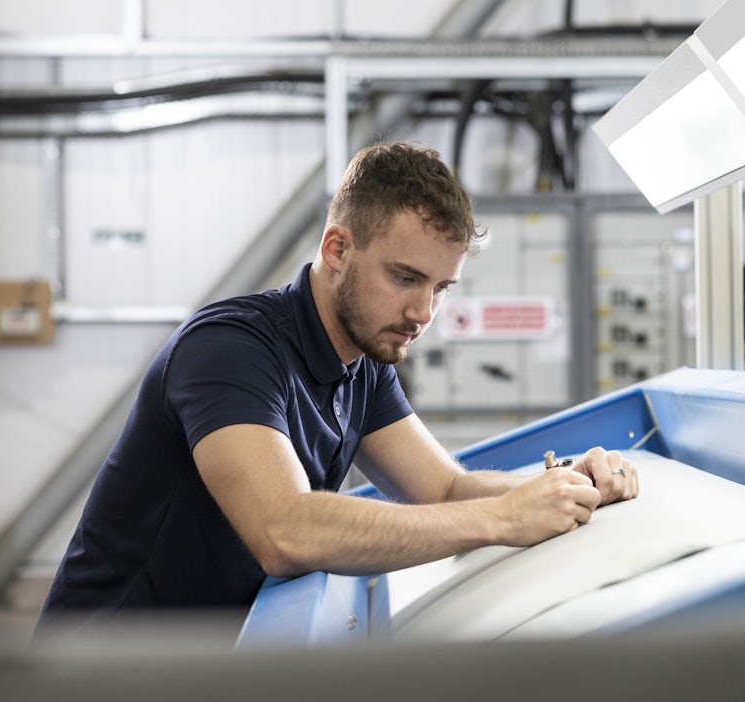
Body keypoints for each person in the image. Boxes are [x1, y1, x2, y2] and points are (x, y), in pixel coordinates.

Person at [36, 141, 640, 634]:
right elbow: (285, 531)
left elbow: (443, 487)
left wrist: (563, 483)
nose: (423, 310)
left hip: (204, 659)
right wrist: (505, 519)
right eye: (405, 277)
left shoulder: (365, 361)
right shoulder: (229, 350)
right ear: (337, 248)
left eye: (440, 288)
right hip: (100, 670)